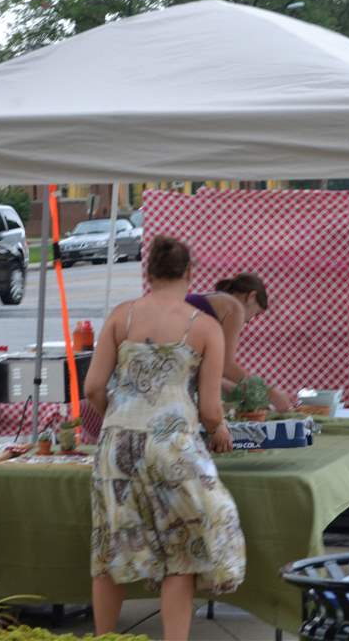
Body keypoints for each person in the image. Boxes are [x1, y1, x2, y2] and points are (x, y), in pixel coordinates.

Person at [84, 235, 246, 640]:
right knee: (184, 548)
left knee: (111, 549)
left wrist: (118, 417)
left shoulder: (121, 317)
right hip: (171, 446)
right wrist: (219, 429)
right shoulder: (204, 327)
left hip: (116, 444)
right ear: (190, 273)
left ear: (149, 272)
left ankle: (105, 637)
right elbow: (210, 410)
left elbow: (93, 388)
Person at [185, 273, 293, 411]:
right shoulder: (234, 307)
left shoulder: (212, 300)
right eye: (255, 314)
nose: (248, 321)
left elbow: (204, 369)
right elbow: (226, 366)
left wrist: (236, 389)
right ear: (251, 297)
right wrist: (270, 394)